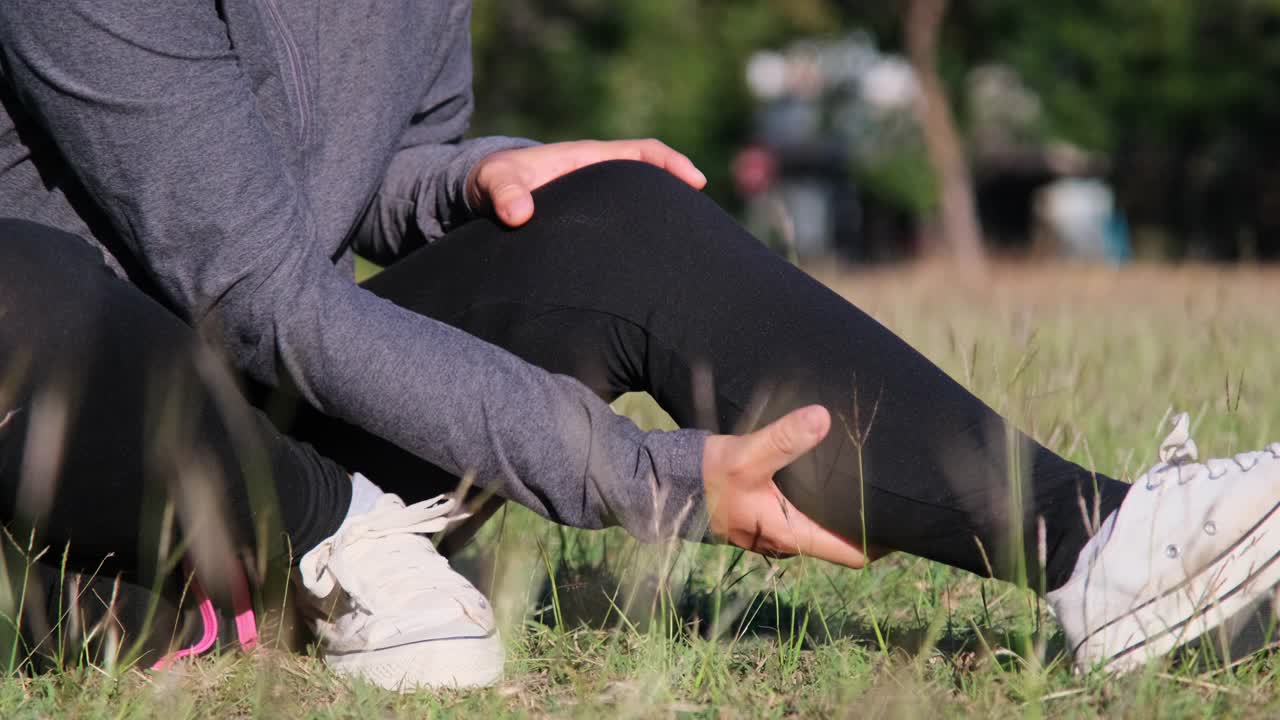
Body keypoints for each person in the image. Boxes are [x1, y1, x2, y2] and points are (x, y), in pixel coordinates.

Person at [1, 0, 1277, 691]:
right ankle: (333, 560)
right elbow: (258, 289)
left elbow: (345, 171)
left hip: (329, 469)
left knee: (610, 209)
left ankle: (1100, 547)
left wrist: (471, 173)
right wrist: (643, 477)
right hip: (100, 520)